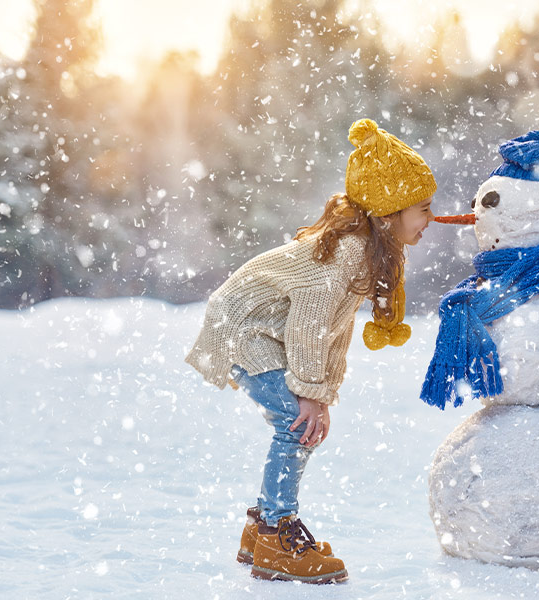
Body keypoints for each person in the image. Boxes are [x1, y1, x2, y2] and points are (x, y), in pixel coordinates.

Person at [185, 118, 436, 584]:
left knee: (301, 422)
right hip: (246, 328)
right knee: (296, 424)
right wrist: (309, 394)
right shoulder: (348, 252)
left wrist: (322, 391)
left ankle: (260, 529)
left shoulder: (368, 251)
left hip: (268, 332)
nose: (431, 218)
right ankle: (278, 534)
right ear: (389, 212)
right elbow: (308, 324)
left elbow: (332, 331)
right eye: (422, 208)